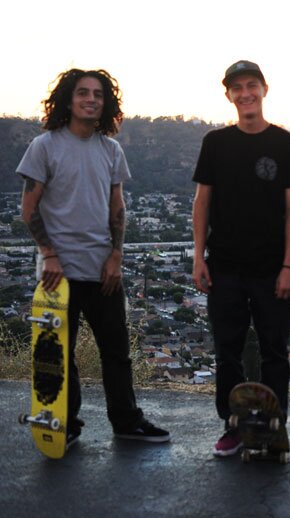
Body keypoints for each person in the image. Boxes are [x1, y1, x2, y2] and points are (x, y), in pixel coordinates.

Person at [18, 68, 170, 448]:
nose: (91, 99)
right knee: (59, 355)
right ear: (68, 99)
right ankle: (64, 423)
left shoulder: (110, 150)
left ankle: (126, 421)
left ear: (106, 103)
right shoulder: (45, 146)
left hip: (102, 268)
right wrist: (49, 254)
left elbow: (116, 209)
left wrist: (116, 256)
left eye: (98, 94)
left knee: (116, 353)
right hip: (58, 274)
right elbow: (28, 208)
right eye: (83, 93)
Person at [192, 60, 290, 457]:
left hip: (271, 268)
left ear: (264, 89)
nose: (245, 93)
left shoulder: (286, 145)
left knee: (275, 350)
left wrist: (289, 266)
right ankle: (234, 425)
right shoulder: (215, 143)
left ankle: (274, 428)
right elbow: (202, 202)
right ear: (228, 95)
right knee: (227, 351)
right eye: (237, 87)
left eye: (252, 85)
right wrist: (198, 257)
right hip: (223, 265)